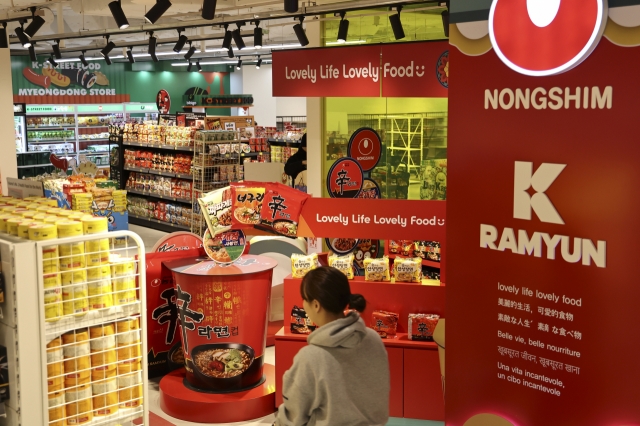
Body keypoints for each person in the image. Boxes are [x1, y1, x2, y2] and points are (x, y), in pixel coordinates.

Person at [274, 266, 390, 426]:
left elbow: (292, 417)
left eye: (304, 298)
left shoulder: (311, 357)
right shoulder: (373, 339)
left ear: (316, 305)